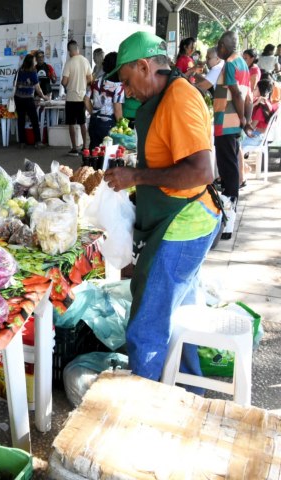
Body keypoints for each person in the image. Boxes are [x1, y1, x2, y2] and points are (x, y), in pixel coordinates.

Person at [103, 31, 221, 390]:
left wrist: (136, 176)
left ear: (144, 66)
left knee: (146, 327)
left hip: (184, 223)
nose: (126, 91)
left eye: (127, 81)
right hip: (178, 218)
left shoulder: (180, 98)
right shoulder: (165, 95)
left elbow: (202, 171)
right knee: (176, 319)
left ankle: (146, 417)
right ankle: (190, 396)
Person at [213, 31, 253, 240]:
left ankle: (228, 221)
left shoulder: (229, 64)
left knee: (228, 172)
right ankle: (230, 216)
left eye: (218, 46)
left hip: (225, 125)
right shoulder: (243, 65)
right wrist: (245, 120)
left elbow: (237, 93)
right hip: (234, 125)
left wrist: (243, 120)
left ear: (222, 46)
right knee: (232, 170)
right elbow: (249, 98)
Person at [84, 52, 124, 150]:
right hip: (108, 125)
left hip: (94, 122)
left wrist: (93, 113)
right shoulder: (118, 85)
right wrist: (122, 127)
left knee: (93, 152)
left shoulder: (96, 81)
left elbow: (86, 99)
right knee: (107, 154)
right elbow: (117, 109)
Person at [61, 40, 93, 155]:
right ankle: (85, 147)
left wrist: (67, 83)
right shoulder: (85, 61)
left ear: (70, 50)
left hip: (71, 98)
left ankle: (74, 148)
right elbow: (90, 79)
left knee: (71, 124)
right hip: (82, 98)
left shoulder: (69, 63)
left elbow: (64, 81)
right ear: (78, 49)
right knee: (82, 123)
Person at [15, 54, 50, 149]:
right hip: (28, 99)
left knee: (21, 120)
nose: (36, 62)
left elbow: (15, 84)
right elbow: (38, 88)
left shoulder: (19, 71)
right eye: (34, 61)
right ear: (31, 62)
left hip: (18, 98)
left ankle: (22, 142)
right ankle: (38, 142)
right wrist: (44, 96)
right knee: (34, 120)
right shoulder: (32, 72)